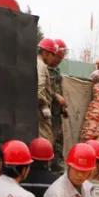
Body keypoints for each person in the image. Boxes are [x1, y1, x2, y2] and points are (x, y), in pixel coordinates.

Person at [36, 38, 68, 170]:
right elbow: (40, 87)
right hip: (43, 110)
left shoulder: (46, 67)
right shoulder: (41, 66)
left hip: (51, 109)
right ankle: (43, 169)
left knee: (53, 138)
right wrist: (44, 106)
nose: (54, 59)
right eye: (53, 55)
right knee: (46, 140)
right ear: (46, 53)